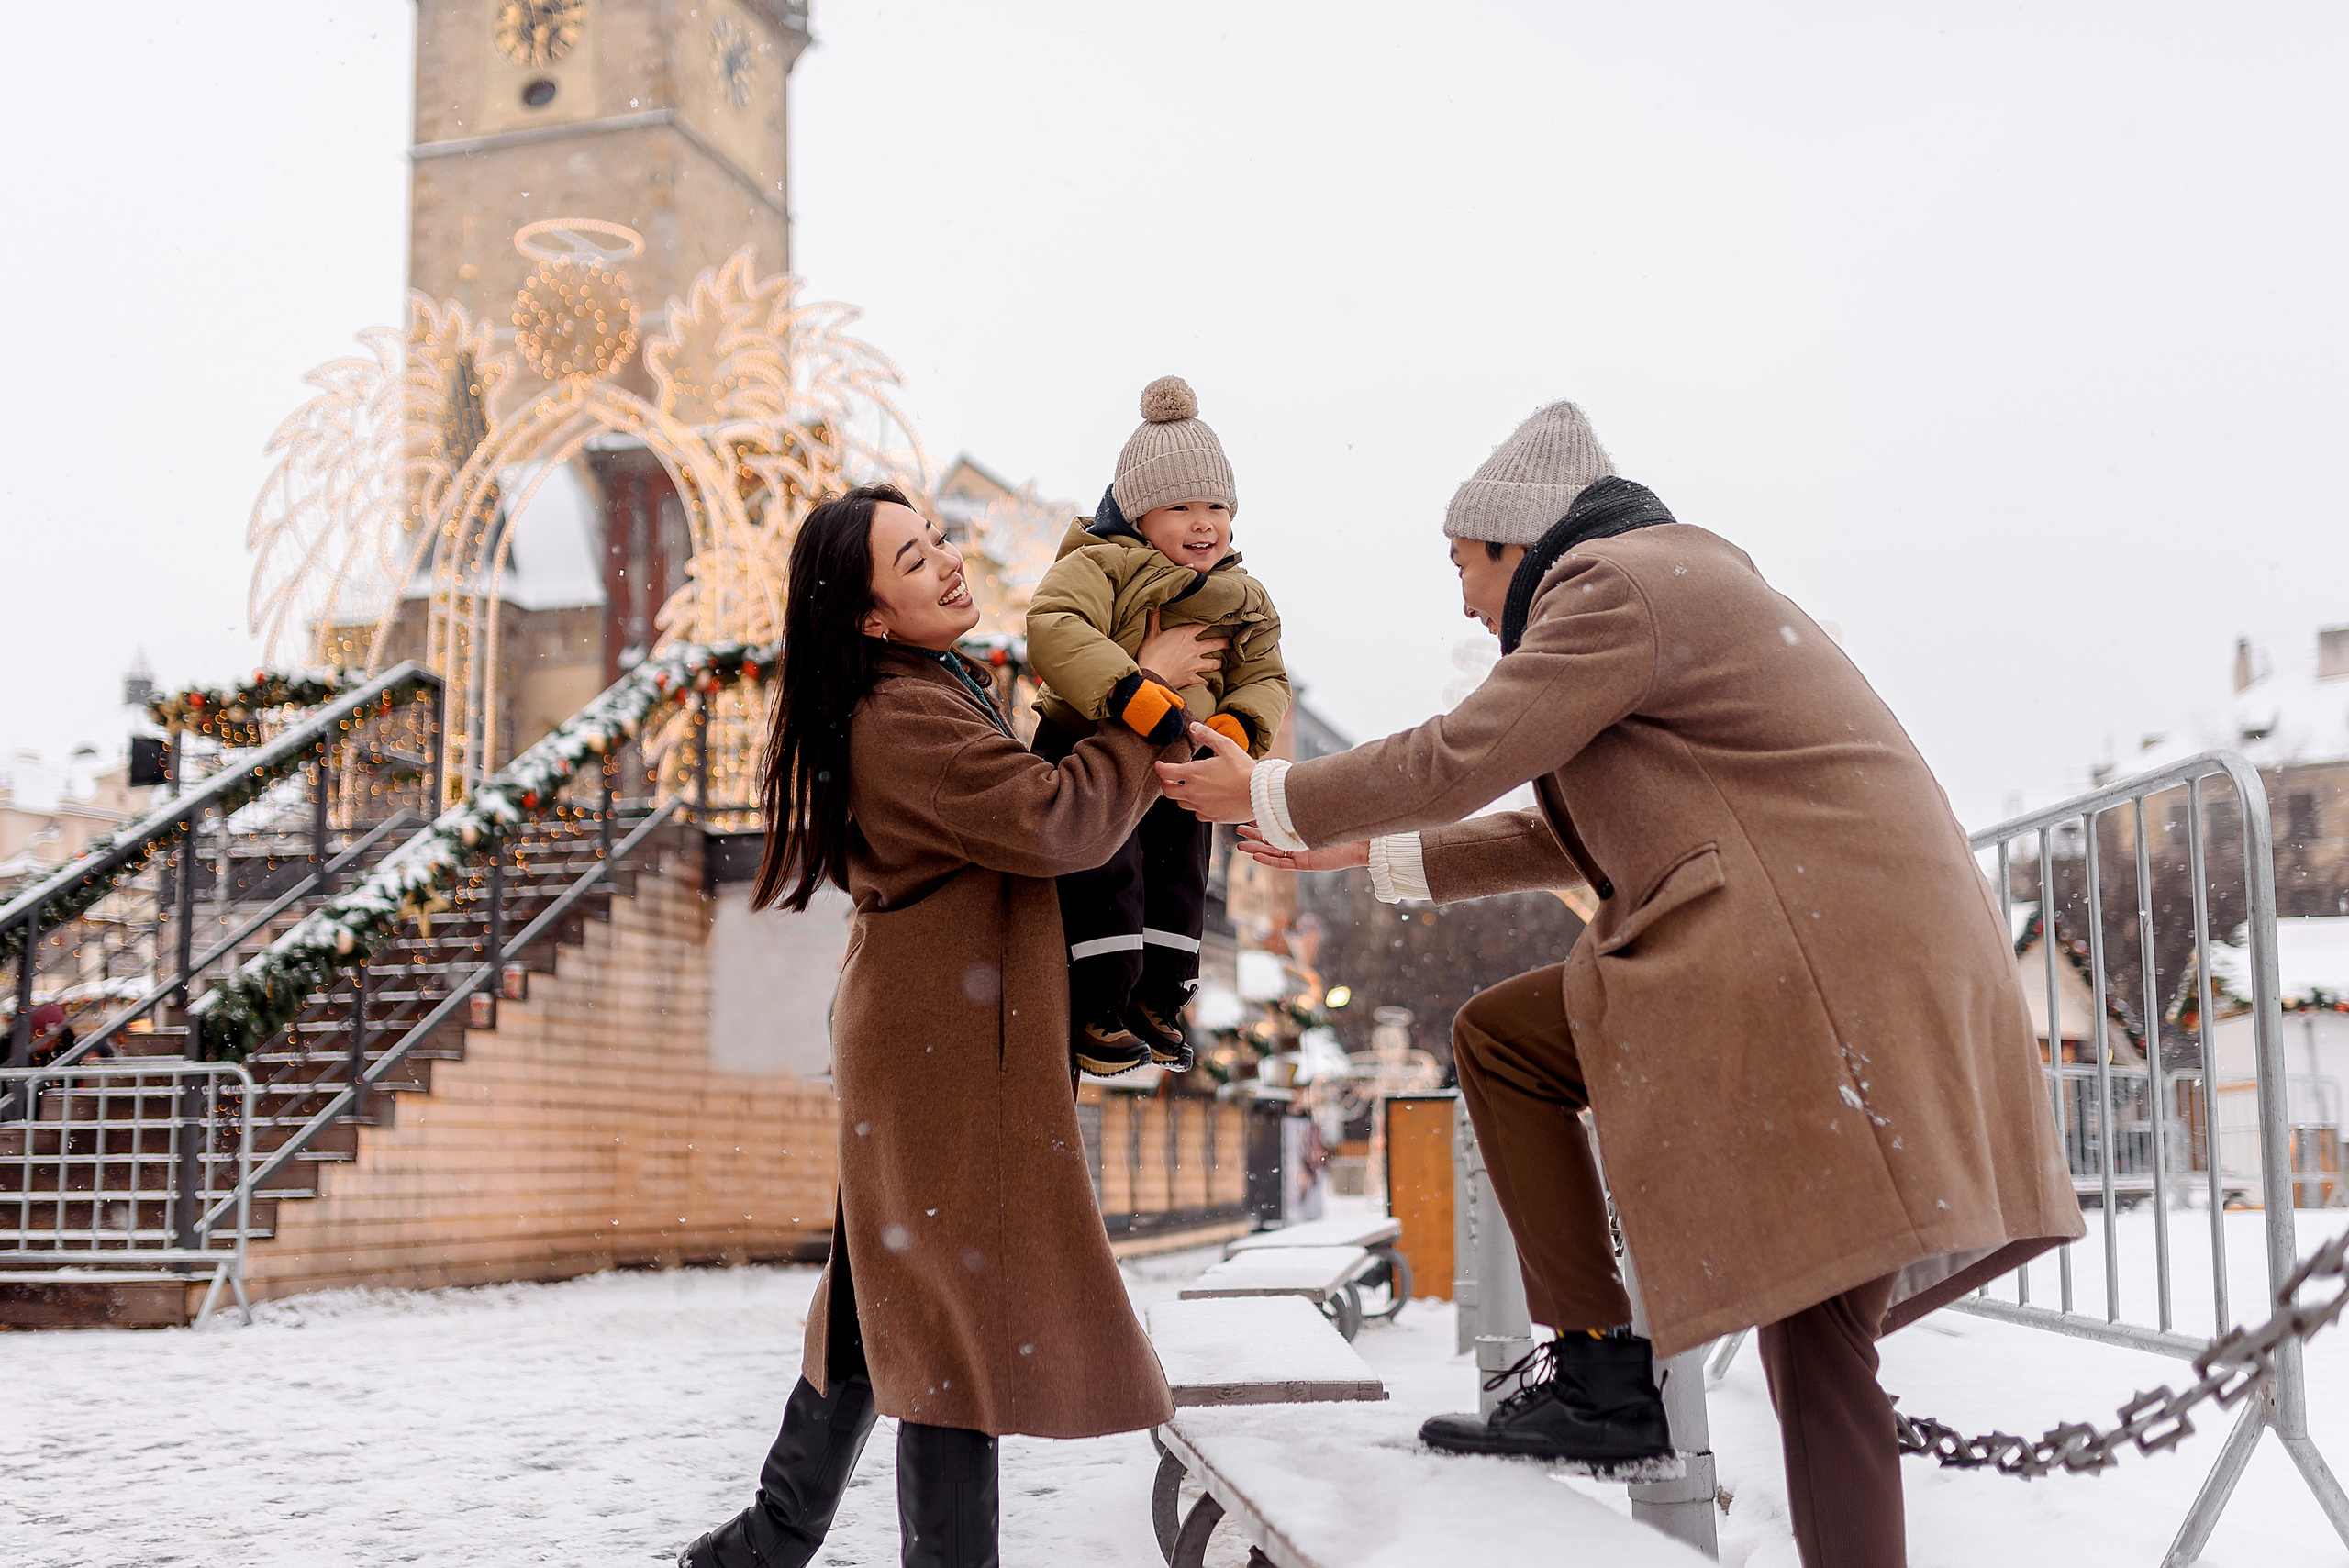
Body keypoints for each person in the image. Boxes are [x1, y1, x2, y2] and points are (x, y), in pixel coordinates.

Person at [1157, 401, 2084, 1568]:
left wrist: (1272, 792)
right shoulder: (1672, 587)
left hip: (1812, 964)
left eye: (1462, 564)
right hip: (1867, 957)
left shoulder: (1613, 584)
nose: (1463, 600)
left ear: (1516, 541)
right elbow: (1580, 829)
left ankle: (1600, 1372)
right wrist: (1372, 852)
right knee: (1818, 1335)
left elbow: (1465, 751)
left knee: (1506, 1041)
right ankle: (1621, 1388)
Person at [680, 483, 1218, 1568]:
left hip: (931, 1030)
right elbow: (1053, 820)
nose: (947, 562)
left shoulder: (925, 684)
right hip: (941, 1044)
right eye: (914, 559)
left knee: (884, 1301)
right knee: (949, 1328)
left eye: (937, 540)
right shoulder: (900, 713)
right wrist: (1141, 699)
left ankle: (761, 1545)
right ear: (870, 613)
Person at [1024, 375, 1288, 1077]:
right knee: (1104, 869)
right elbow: (1055, 626)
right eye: (1181, 507)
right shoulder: (1102, 563)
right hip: (1093, 738)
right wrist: (1131, 688)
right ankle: (1096, 1006)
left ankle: (1160, 999)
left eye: (1216, 507)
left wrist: (1236, 725)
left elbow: (1265, 675)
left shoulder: (1244, 597)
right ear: (1140, 517)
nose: (1204, 523)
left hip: (1180, 756)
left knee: (1181, 875)